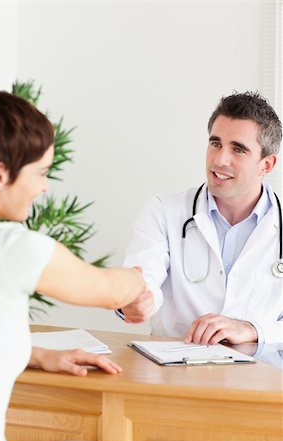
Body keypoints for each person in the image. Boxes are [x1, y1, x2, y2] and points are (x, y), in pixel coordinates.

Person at [0, 90, 146, 441]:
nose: (44, 186)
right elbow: (111, 291)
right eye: (40, 172)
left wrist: (38, 354)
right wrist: (138, 277)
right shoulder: (9, 247)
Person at [119, 91, 283, 345]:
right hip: (175, 374)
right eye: (215, 143)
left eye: (238, 149)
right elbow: (142, 278)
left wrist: (253, 330)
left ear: (267, 165)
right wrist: (135, 299)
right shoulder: (164, 211)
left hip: (262, 378)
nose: (220, 160)